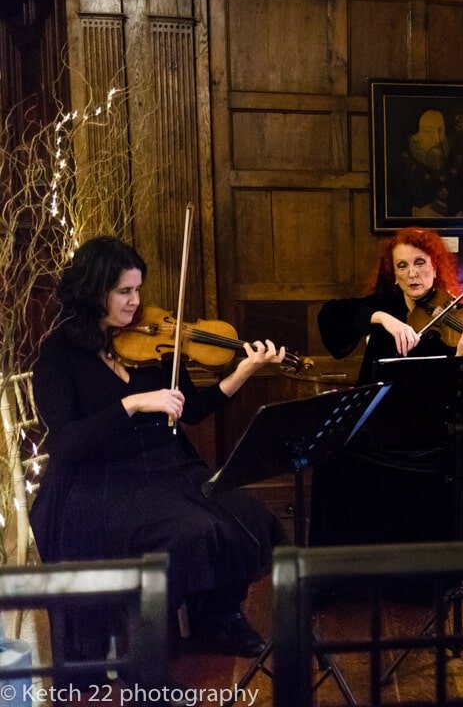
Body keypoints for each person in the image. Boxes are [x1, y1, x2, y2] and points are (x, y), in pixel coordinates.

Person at [31, 236, 288, 659]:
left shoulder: (156, 343)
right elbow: (66, 443)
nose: (136, 302)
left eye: (138, 289)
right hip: (100, 481)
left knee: (247, 515)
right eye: (124, 292)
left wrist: (245, 370)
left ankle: (218, 615)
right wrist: (132, 404)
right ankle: (150, 646)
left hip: (168, 468)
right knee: (190, 530)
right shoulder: (59, 356)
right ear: (95, 291)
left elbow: (194, 410)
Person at [313, 227, 463, 547]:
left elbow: (461, 395)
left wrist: (462, 357)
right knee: (329, 452)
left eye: (419, 263)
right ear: (394, 274)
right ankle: (345, 567)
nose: (412, 274)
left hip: (430, 431)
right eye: (402, 266)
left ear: (435, 266)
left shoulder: (457, 320)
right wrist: (382, 318)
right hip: (381, 425)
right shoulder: (386, 305)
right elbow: (331, 314)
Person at [391, 108, 463, 218]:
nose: (437, 140)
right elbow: (392, 205)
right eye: (429, 132)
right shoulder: (402, 164)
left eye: (440, 131)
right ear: (416, 137)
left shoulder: (457, 160)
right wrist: (417, 213)